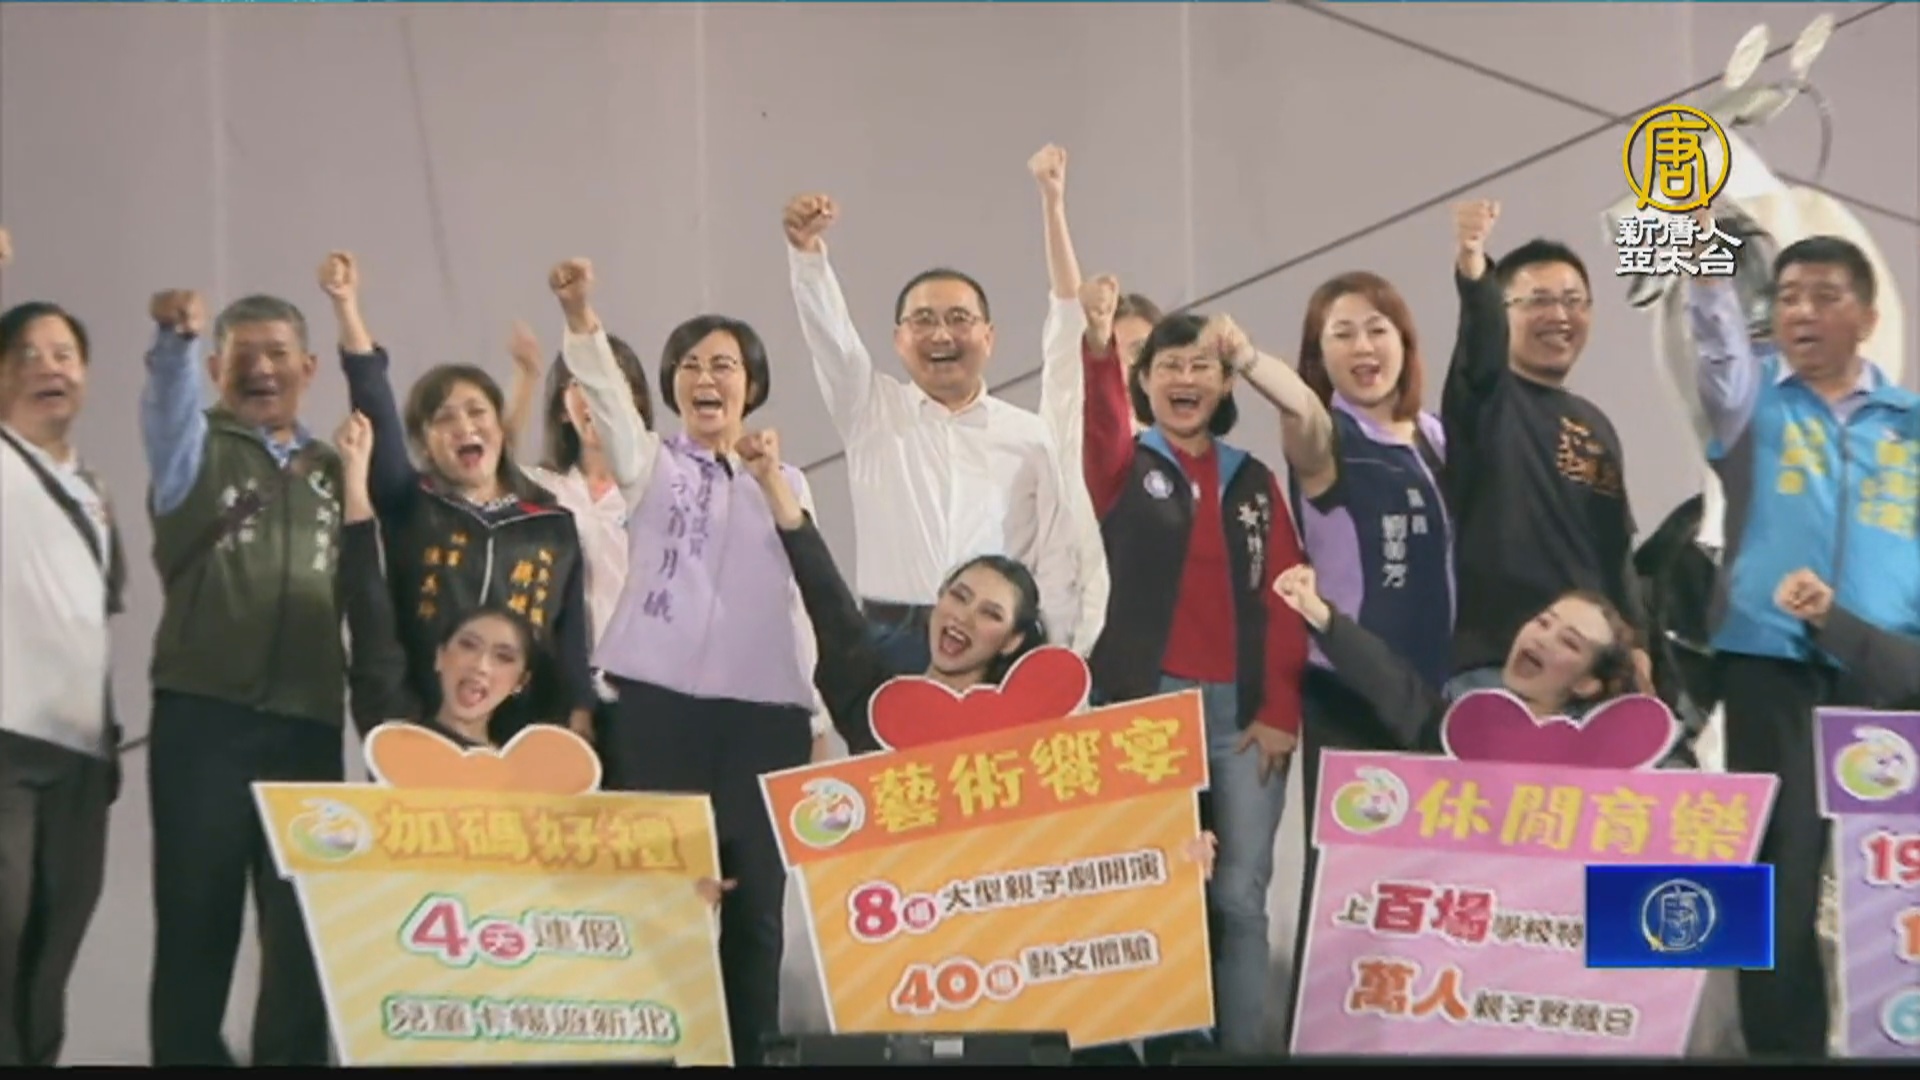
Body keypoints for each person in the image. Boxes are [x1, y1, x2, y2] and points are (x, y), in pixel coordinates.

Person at [550, 258, 822, 1065]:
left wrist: (817, 717)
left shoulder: (787, 480)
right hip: (657, 709)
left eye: (725, 365)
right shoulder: (649, 466)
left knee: (756, 912)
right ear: (671, 386)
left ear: (752, 386)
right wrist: (581, 315)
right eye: (692, 365)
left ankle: (751, 1054)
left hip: (763, 719)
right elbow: (607, 399)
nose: (708, 378)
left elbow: (804, 601)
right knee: (661, 899)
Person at [333, 410, 737, 911]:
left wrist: (681, 887)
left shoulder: (540, 780)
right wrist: (355, 479)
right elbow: (368, 606)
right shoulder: (397, 734)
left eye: (502, 656)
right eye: (468, 645)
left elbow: (601, 878)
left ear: (521, 679)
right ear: (440, 655)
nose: (481, 666)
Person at [1685, 233, 1920, 1059]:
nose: (1800, 312)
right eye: (1786, 297)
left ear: (1869, 317)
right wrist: (1702, 258)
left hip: (1888, 671)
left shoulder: (1912, 425)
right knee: (1778, 869)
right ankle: (1783, 1051)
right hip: (1770, 663)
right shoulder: (1754, 404)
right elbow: (1717, 344)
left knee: (1892, 870)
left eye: (1823, 295)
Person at [139, 286, 342, 1066]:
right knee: (198, 924)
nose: (262, 368)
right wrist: (175, 343)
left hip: (307, 727)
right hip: (205, 723)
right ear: (218, 368)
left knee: (302, 936)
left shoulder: (332, 470)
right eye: (243, 355)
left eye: (278, 353)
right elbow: (165, 407)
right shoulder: (193, 449)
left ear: (308, 368)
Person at [782, 190, 1106, 674]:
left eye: (959, 320)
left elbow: (1056, 554)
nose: (941, 335)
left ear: (989, 337)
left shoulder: (1029, 436)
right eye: (923, 320)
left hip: (995, 653)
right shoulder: (871, 410)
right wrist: (808, 256)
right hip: (891, 644)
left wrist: (1054, 655)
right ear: (898, 339)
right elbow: (834, 341)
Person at [323, 252, 598, 738]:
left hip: (523, 737)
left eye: (477, 412)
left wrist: (579, 715)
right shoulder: (412, 505)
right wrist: (347, 306)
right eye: (444, 419)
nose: (464, 426)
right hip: (420, 728)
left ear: (499, 426)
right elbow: (374, 401)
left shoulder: (550, 523)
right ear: (424, 443)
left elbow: (571, 638)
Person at [1442, 199, 1647, 701]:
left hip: (1583, 683)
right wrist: (1473, 266)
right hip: (1496, 667)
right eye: (1538, 300)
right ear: (1503, 311)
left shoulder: (1596, 424)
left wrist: (1639, 645)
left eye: (1574, 301)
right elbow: (1479, 341)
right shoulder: (1485, 396)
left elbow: (1616, 553)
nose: (1559, 314)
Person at [0, 299, 125, 1066]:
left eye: (65, 354)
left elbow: (91, 625)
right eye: (28, 354)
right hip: (5, 748)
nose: (50, 367)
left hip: (80, 754)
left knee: (54, 948)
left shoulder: (92, 489)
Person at [1274, 565, 1640, 744]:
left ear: (1588, 683)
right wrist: (1319, 613)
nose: (1543, 638)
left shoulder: (1597, 772)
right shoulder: (1457, 728)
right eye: (1543, 622)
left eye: (1569, 642)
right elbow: (1392, 684)